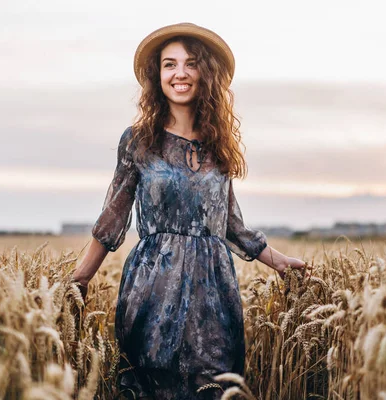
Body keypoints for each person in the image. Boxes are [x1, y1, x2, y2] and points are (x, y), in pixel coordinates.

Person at [71, 23, 307, 400]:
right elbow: (113, 217)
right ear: (157, 76)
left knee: (213, 387)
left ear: (206, 74)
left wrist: (280, 262)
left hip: (213, 291)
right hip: (152, 286)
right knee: (150, 384)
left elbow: (230, 225)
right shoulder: (138, 140)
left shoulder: (219, 148)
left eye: (190, 63)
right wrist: (79, 279)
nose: (179, 73)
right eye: (169, 64)